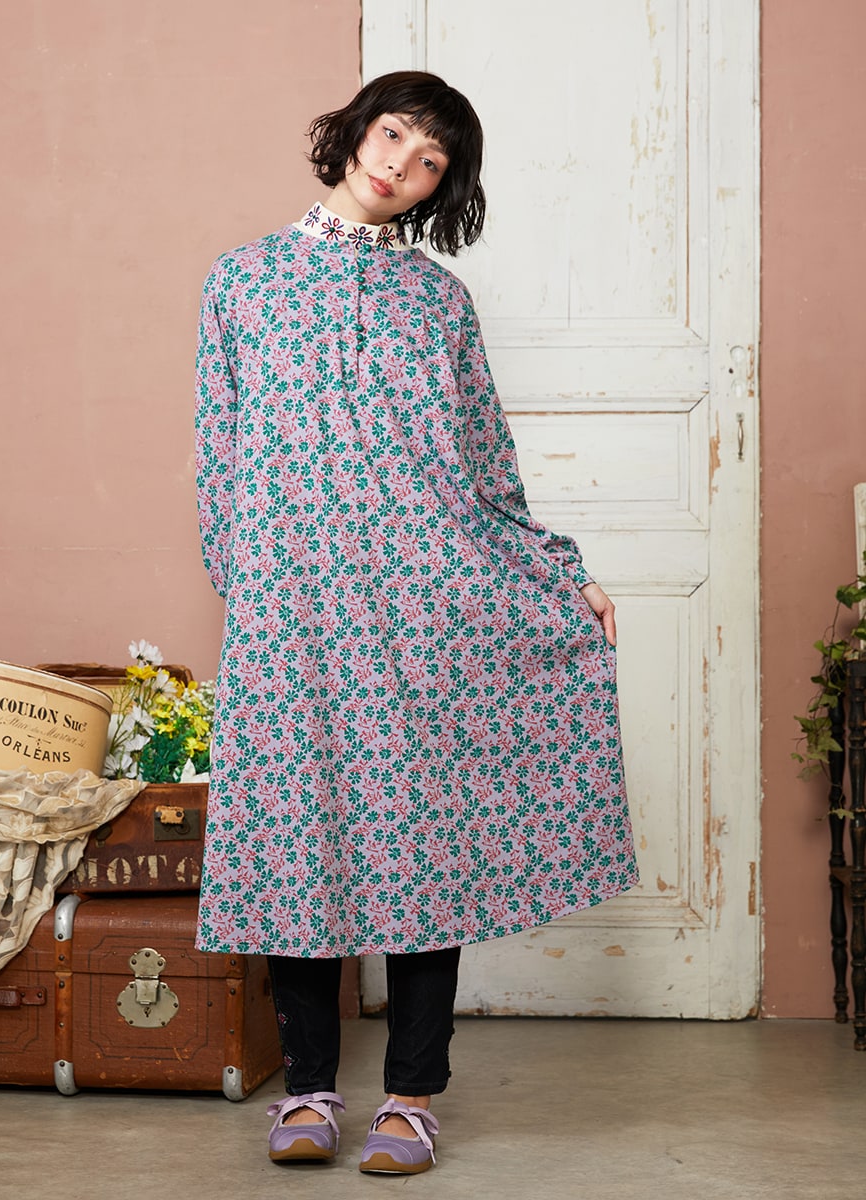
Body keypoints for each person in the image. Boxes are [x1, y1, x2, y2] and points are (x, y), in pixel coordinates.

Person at [193, 70, 638, 1175]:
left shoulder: (438, 303)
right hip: (291, 605)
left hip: (423, 605)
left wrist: (554, 572)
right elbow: (219, 450)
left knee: (421, 842)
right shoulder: (241, 280)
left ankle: (410, 1097)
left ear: (444, 186)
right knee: (296, 832)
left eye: (430, 160)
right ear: (355, 131)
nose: (401, 163)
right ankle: (307, 1090)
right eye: (393, 133)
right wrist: (249, 582)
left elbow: (484, 463)